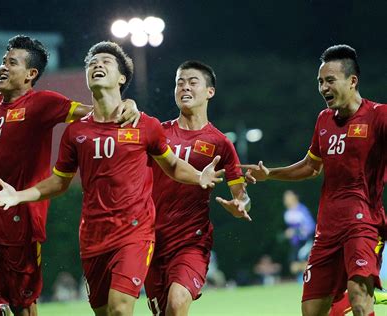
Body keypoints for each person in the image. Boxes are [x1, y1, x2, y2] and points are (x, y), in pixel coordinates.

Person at [0, 41, 224, 316]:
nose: (97, 65)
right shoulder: (75, 133)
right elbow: (59, 182)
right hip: (93, 237)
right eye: (92, 63)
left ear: (122, 78)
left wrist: (197, 176)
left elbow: (172, 165)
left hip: (134, 232)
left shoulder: (145, 125)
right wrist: (19, 195)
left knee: (121, 310)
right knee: (106, 312)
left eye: (105, 62)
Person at [0, 35, 140, 316]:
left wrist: (128, 104)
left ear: (30, 74)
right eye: (3, 61)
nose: (3, 67)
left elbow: (92, 113)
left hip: (21, 219)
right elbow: (6, 137)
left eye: (12, 63)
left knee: (23, 305)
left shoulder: (43, 103)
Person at [241, 44, 386, 316]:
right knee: (311, 310)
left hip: (363, 223)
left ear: (352, 81)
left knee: (359, 297)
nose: (323, 88)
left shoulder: (379, 116)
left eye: (330, 80)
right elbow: (310, 167)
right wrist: (271, 173)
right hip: (327, 229)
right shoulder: (323, 120)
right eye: (320, 81)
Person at [145, 60, 251, 316]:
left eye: (193, 82)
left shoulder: (220, 143)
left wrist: (241, 205)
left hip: (191, 240)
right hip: (151, 239)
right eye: (179, 83)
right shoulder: (157, 133)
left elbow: (242, 194)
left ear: (209, 91)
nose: (184, 87)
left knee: (178, 301)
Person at [282, 190, 315, 283]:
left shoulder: (302, 210)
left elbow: (311, 226)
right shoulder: (287, 213)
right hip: (294, 244)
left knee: (299, 265)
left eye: (287, 197)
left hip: (304, 242)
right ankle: (303, 280)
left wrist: (296, 231)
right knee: (293, 267)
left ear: (294, 197)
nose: (285, 200)